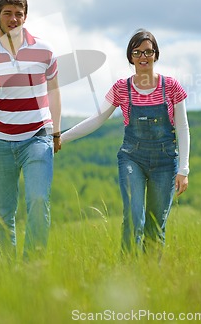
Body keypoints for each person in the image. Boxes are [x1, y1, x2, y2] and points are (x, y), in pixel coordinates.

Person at [61, 29, 190, 255]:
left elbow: (183, 128)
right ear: (130, 57)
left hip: (165, 162)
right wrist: (62, 138)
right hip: (133, 158)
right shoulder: (122, 88)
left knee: (155, 225)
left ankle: (150, 278)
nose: (143, 57)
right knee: (134, 217)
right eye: (137, 52)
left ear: (156, 55)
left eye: (148, 52)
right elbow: (97, 119)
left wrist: (184, 169)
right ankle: (128, 273)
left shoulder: (171, 87)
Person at [0, 0, 61, 261]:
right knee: (1, 215)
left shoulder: (45, 51)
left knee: (39, 201)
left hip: (37, 138)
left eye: (19, 14)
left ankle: (33, 269)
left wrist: (55, 131)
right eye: (7, 13)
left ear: (25, 17)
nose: (13, 19)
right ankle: (6, 276)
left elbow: (54, 91)